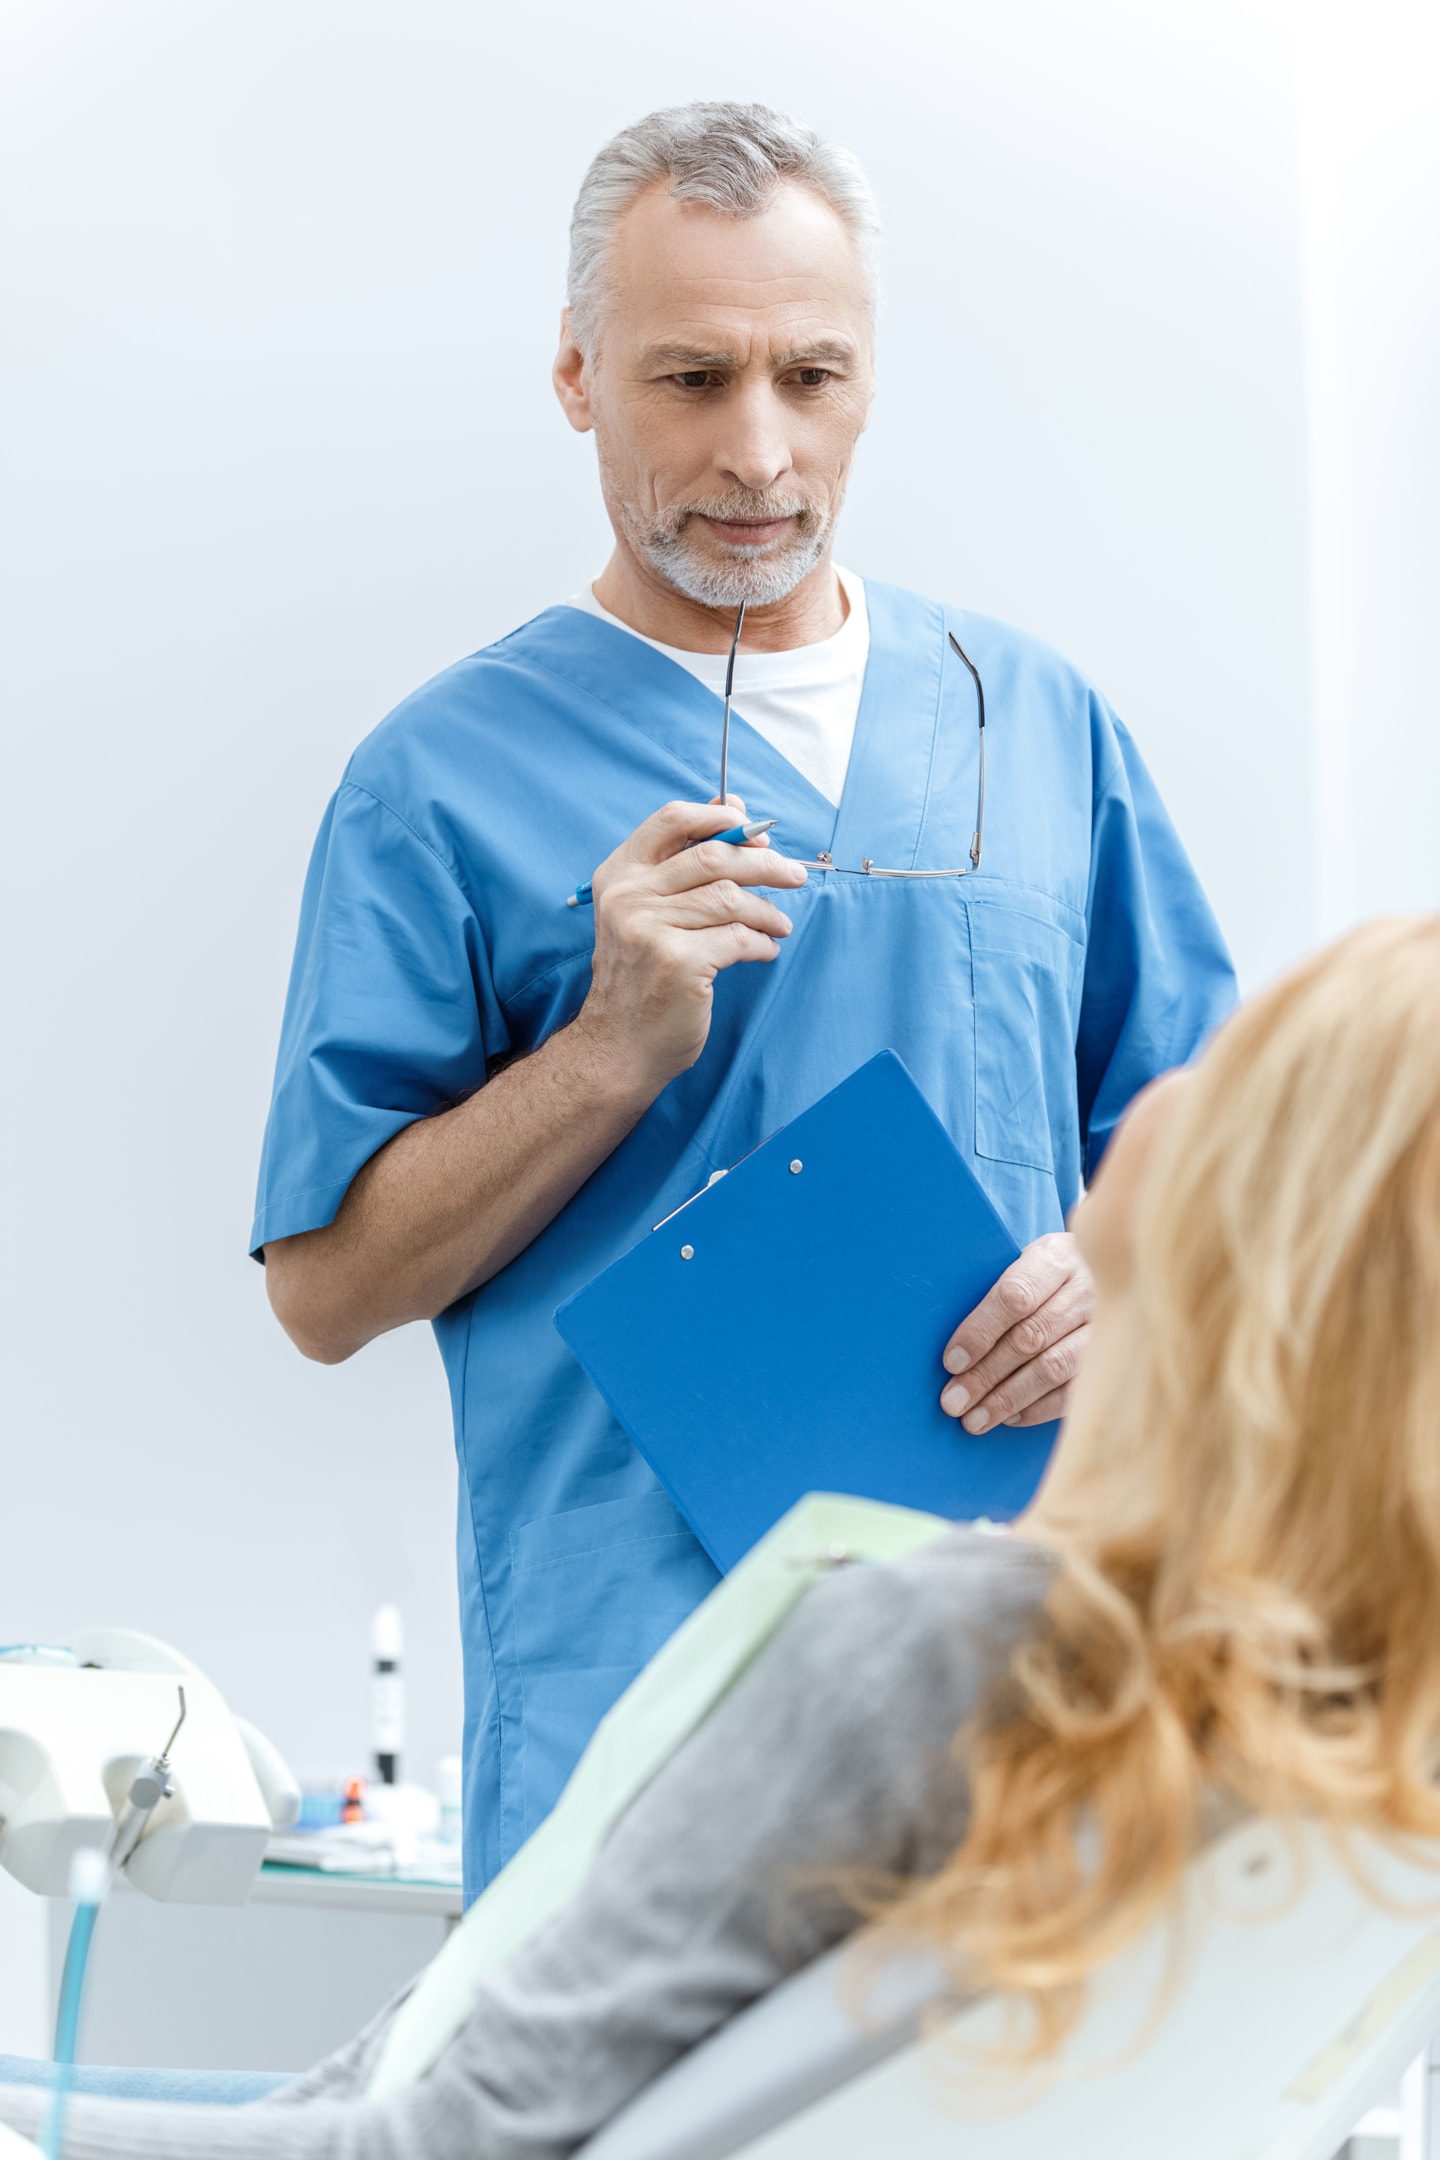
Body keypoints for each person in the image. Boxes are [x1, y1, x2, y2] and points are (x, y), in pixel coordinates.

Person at [3, 914, 1438, 2159]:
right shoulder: (1316, 1738)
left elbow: (438, 2141)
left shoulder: (944, 1651)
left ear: (1279, 1214)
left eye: (1244, 1069)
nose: (1166, 1074)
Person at [251, 100, 1236, 1892]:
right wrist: (606, 1057)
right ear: (576, 377)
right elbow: (326, 1292)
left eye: (812, 376)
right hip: (639, 1711)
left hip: (1011, 1678)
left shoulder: (1035, 721)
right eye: (692, 379)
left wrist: (1125, 1271)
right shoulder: (440, 779)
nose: (760, 453)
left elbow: (1230, 1158)